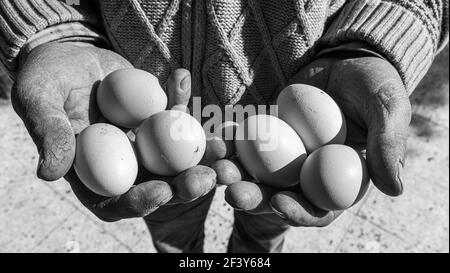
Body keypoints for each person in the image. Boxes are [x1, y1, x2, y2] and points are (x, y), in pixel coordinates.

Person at [0, 0, 448, 253]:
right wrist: (55, 33)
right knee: (171, 223)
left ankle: (251, 255)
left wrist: (372, 44)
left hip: (286, 109)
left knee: (266, 222)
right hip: (151, 153)